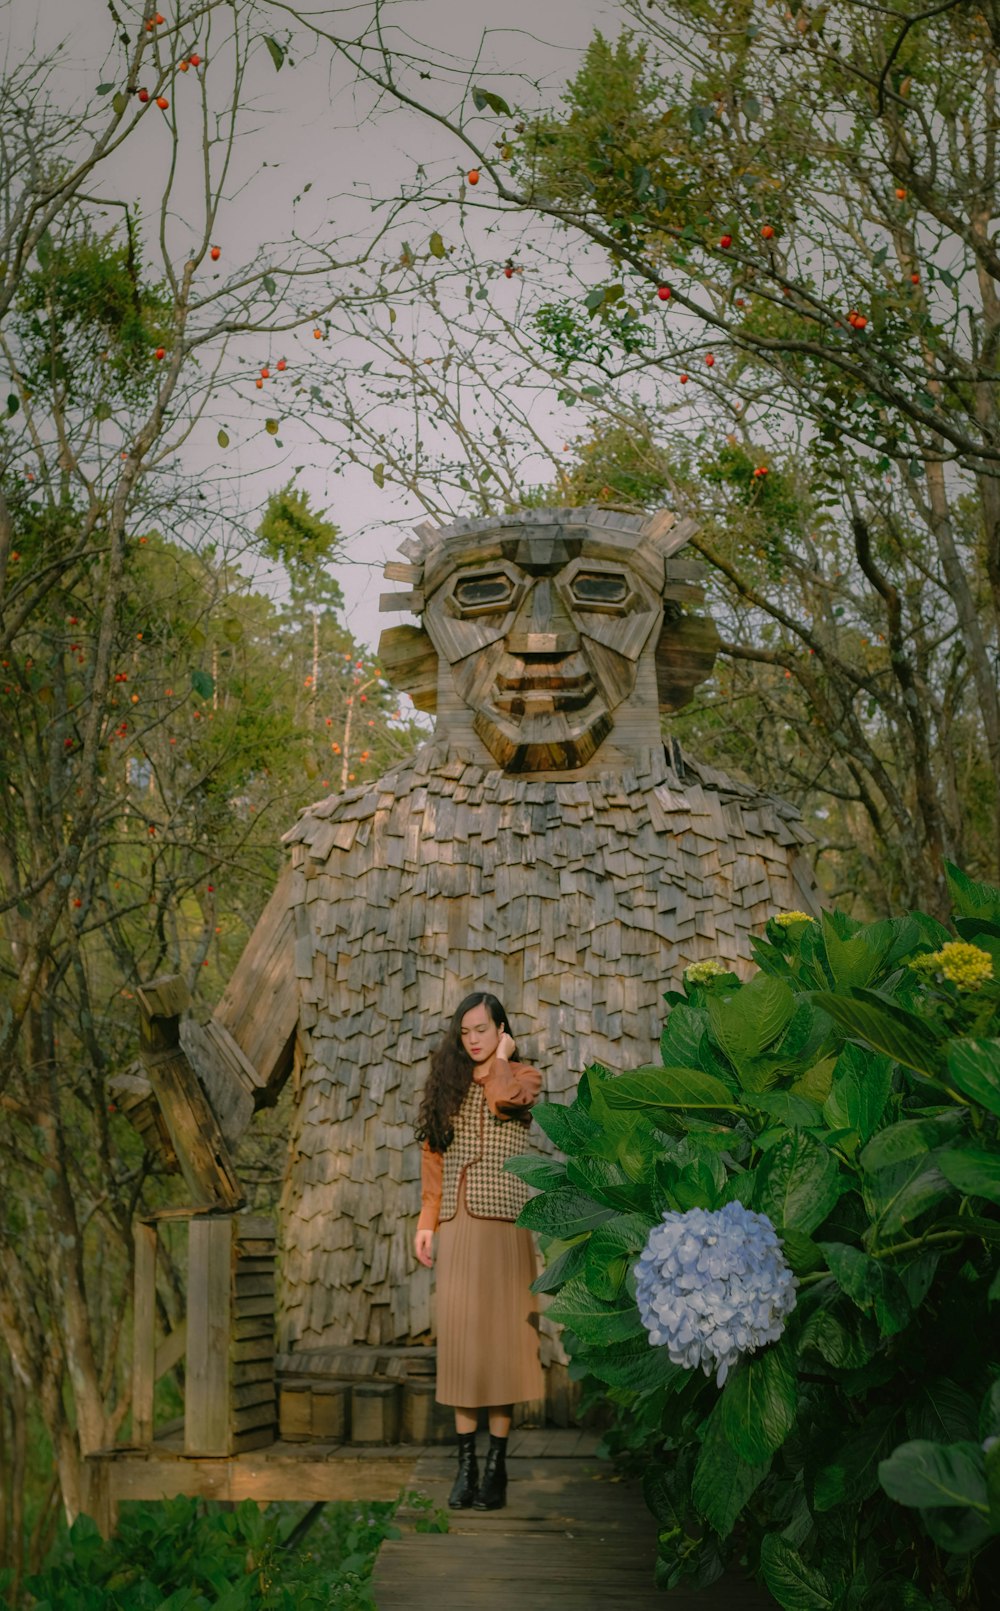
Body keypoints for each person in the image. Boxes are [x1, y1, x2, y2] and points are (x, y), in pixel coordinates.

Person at [413, 991, 545, 1511]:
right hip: (459, 1226)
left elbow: (504, 1102)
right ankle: (465, 1464)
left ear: (501, 1031)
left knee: (503, 1343)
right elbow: (433, 1158)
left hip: (506, 1225)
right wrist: (427, 1222)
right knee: (464, 1345)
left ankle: (498, 1466)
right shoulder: (445, 1085)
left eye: (481, 1031)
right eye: (465, 1031)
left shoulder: (523, 1076)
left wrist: (503, 1061)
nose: (471, 1040)